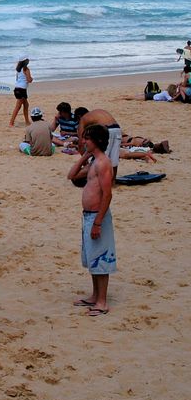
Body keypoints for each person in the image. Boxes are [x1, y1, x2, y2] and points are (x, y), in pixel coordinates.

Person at [66, 124, 116, 317]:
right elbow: (71, 176)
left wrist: (98, 222)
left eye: (87, 138)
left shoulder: (103, 163)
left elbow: (107, 194)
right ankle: (95, 295)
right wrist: (85, 157)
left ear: (96, 140)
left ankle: (102, 302)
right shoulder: (94, 161)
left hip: (97, 217)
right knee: (93, 258)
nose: (83, 141)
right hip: (89, 216)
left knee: (101, 259)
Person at [75, 108, 121, 178]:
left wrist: (84, 161)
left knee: (98, 159)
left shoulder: (83, 119)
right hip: (117, 129)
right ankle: (113, 180)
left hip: (106, 130)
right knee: (114, 159)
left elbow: (81, 144)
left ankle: (76, 176)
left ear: (78, 117)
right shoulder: (96, 113)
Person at [9, 57, 34, 127]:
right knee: (18, 106)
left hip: (17, 88)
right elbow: (29, 80)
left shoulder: (18, 70)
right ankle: (11, 122)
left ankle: (27, 121)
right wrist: (31, 79)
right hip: (22, 90)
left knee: (26, 105)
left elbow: (17, 79)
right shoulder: (26, 69)